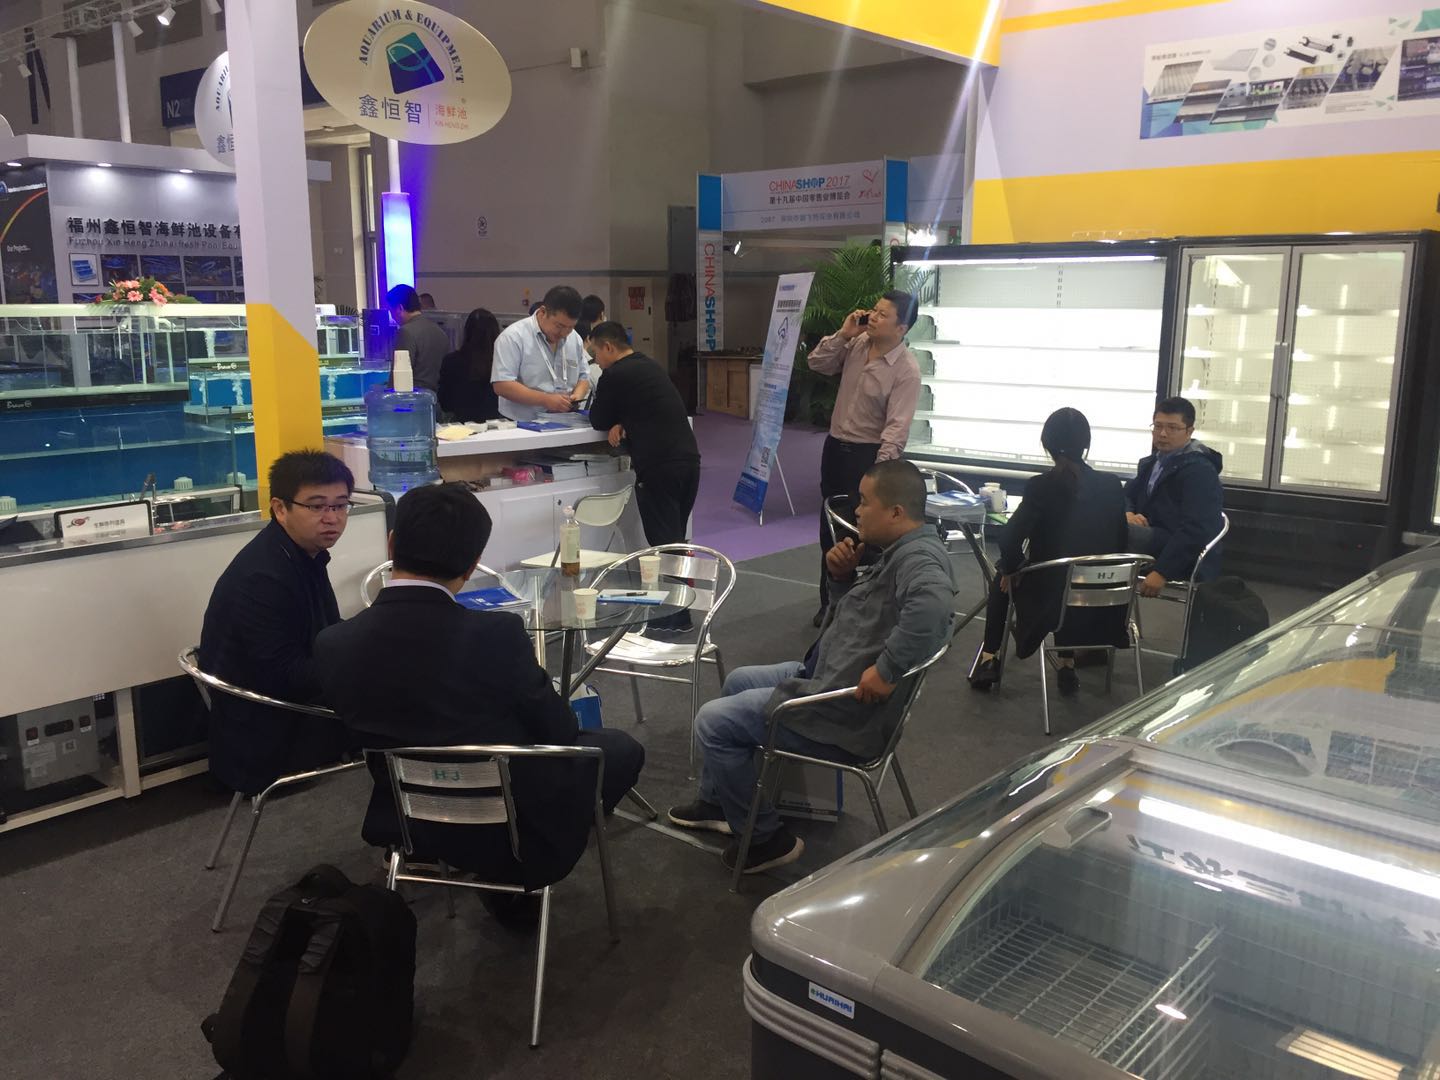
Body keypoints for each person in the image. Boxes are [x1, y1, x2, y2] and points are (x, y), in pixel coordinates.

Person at [313, 483, 645, 891]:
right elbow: (559, 731)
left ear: (392, 544)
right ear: (472, 565)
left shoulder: (333, 644)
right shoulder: (497, 635)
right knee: (620, 748)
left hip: (407, 816)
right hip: (511, 828)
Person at [667, 460, 953, 875]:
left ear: (895, 512)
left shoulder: (918, 559)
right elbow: (859, 622)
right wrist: (841, 579)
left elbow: (933, 608)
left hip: (840, 710)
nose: (857, 511)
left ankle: (765, 839)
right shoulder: (902, 552)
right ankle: (718, 804)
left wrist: (887, 670)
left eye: (865, 502)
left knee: (713, 723)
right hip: (826, 677)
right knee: (738, 681)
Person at [198, 450, 355, 795]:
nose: (332, 518)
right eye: (317, 506)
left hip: (284, 707)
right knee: (404, 698)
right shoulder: (264, 576)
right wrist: (361, 666)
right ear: (280, 508)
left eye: (341, 505)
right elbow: (284, 675)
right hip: (266, 730)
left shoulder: (299, 553)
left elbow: (325, 630)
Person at [968, 409, 1129, 695]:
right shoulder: (1111, 485)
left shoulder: (1041, 486)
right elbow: (1121, 541)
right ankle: (1066, 662)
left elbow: (1009, 539)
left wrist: (1013, 568)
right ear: (1086, 444)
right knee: (1068, 576)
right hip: (1105, 599)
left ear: (1047, 444)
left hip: (1052, 600)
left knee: (1003, 579)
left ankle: (989, 658)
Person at [807, 290, 923, 626]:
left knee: (865, 533)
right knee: (830, 526)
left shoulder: (906, 370)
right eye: (874, 310)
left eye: (883, 314)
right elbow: (817, 362)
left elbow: (896, 430)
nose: (873, 316)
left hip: (867, 455)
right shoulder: (857, 344)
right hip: (836, 447)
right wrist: (844, 334)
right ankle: (829, 602)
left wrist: (879, 475)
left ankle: (863, 607)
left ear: (901, 328)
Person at [586, 321, 699, 547]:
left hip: (659, 467)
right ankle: (681, 570)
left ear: (608, 347)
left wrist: (616, 420)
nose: (595, 361)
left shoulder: (614, 374)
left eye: (595, 353)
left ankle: (672, 571)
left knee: (665, 546)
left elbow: (598, 419)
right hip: (689, 461)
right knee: (677, 539)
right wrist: (623, 420)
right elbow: (648, 405)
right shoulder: (651, 366)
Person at [1125, 396, 1225, 598]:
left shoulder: (1200, 471)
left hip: (1178, 550)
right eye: (1158, 426)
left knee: (1108, 531)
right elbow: (1127, 493)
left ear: (1189, 431)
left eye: (1172, 428)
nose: (1162, 433)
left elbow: (1196, 529)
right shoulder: (1154, 462)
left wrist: (1162, 571)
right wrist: (1127, 513)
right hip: (1153, 537)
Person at [491, 285, 591, 422]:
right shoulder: (513, 337)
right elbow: (502, 385)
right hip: (520, 423)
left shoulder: (574, 338)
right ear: (543, 312)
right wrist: (545, 400)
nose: (564, 333)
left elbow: (584, 376)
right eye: (559, 326)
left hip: (564, 421)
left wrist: (577, 396)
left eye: (570, 327)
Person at [437, 308, 503, 423]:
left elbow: (445, 402)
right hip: (498, 425)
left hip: (462, 425)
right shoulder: (502, 362)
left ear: (466, 331)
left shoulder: (451, 361)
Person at [386, 284, 450, 393]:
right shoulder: (440, 331)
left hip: (414, 398)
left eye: (391, 311)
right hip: (436, 397)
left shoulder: (405, 332)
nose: (392, 317)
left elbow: (398, 379)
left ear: (400, 308)